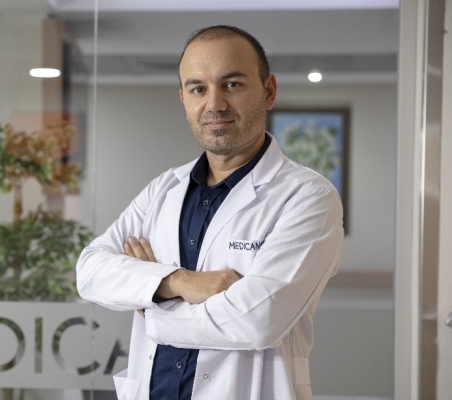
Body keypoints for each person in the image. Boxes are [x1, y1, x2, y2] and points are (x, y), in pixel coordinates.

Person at [76, 25, 344, 400]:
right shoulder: (163, 189)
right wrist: (177, 282)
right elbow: (90, 271)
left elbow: (257, 321)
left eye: (232, 84)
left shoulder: (308, 197)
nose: (215, 104)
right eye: (198, 88)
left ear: (268, 91)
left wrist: (150, 304)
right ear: (184, 98)